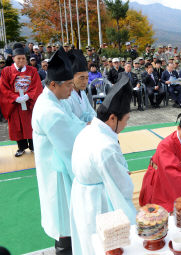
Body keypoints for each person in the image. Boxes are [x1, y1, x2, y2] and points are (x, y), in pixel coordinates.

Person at [70, 74, 136, 255]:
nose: (126, 125)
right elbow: (122, 189)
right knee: (101, 245)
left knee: (86, 242)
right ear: (113, 118)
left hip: (82, 194)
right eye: (126, 120)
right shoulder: (105, 147)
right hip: (96, 201)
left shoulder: (90, 129)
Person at [32, 47, 86, 254]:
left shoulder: (55, 99)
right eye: (69, 85)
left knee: (66, 218)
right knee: (63, 220)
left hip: (60, 167)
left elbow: (75, 122)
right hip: (57, 173)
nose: (72, 89)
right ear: (53, 84)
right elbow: (73, 139)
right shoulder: (49, 111)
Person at [0, 43, 43, 157]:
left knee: (31, 124)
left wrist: (28, 96)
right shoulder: (6, 71)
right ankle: (21, 147)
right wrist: (15, 97)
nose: (21, 60)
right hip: (14, 104)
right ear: (13, 58)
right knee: (17, 126)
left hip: (29, 103)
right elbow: (3, 88)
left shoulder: (32, 70)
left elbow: (37, 86)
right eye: (18, 58)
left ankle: (33, 146)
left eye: (23, 58)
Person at [65, 49, 96, 122]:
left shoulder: (82, 92)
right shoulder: (65, 96)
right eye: (81, 78)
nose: (85, 82)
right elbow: (69, 122)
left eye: (87, 78)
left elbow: (91, 112)